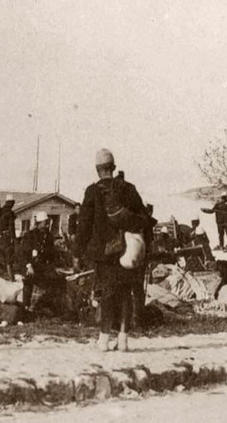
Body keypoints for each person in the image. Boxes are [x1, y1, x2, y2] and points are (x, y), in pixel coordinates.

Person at [74, 148, 147, 352]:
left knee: (106, 294)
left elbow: (84, 226)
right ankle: (123, 340)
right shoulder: (129, 189)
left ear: (97, 170)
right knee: (125, 293)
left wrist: (77, 253)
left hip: (104, 253)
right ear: (113, 168)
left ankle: (104, 340)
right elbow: (144, 219)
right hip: (126, 251)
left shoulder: (92, 191)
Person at [16, 211, 64, 313]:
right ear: (38, 223)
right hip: (29, 264)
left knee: (56, 278)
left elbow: (52, 254)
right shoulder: (30, 235)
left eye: (47, 222)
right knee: (29, 278)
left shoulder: (48, 236)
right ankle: (26, 307)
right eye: (44, 222)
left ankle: (49, 306)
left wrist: (54, 266)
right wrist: (28, 266)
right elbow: (23, 253)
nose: (46, 224)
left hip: (42, 265)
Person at [0, 194, 17, 278]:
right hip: (6, 238)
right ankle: (11, 278)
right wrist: (13, 238)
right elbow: (11, 227)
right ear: (11, 203)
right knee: (9, 259)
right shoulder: (10, 213)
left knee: (0, 257)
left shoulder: (0, 211)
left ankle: (0, 276)